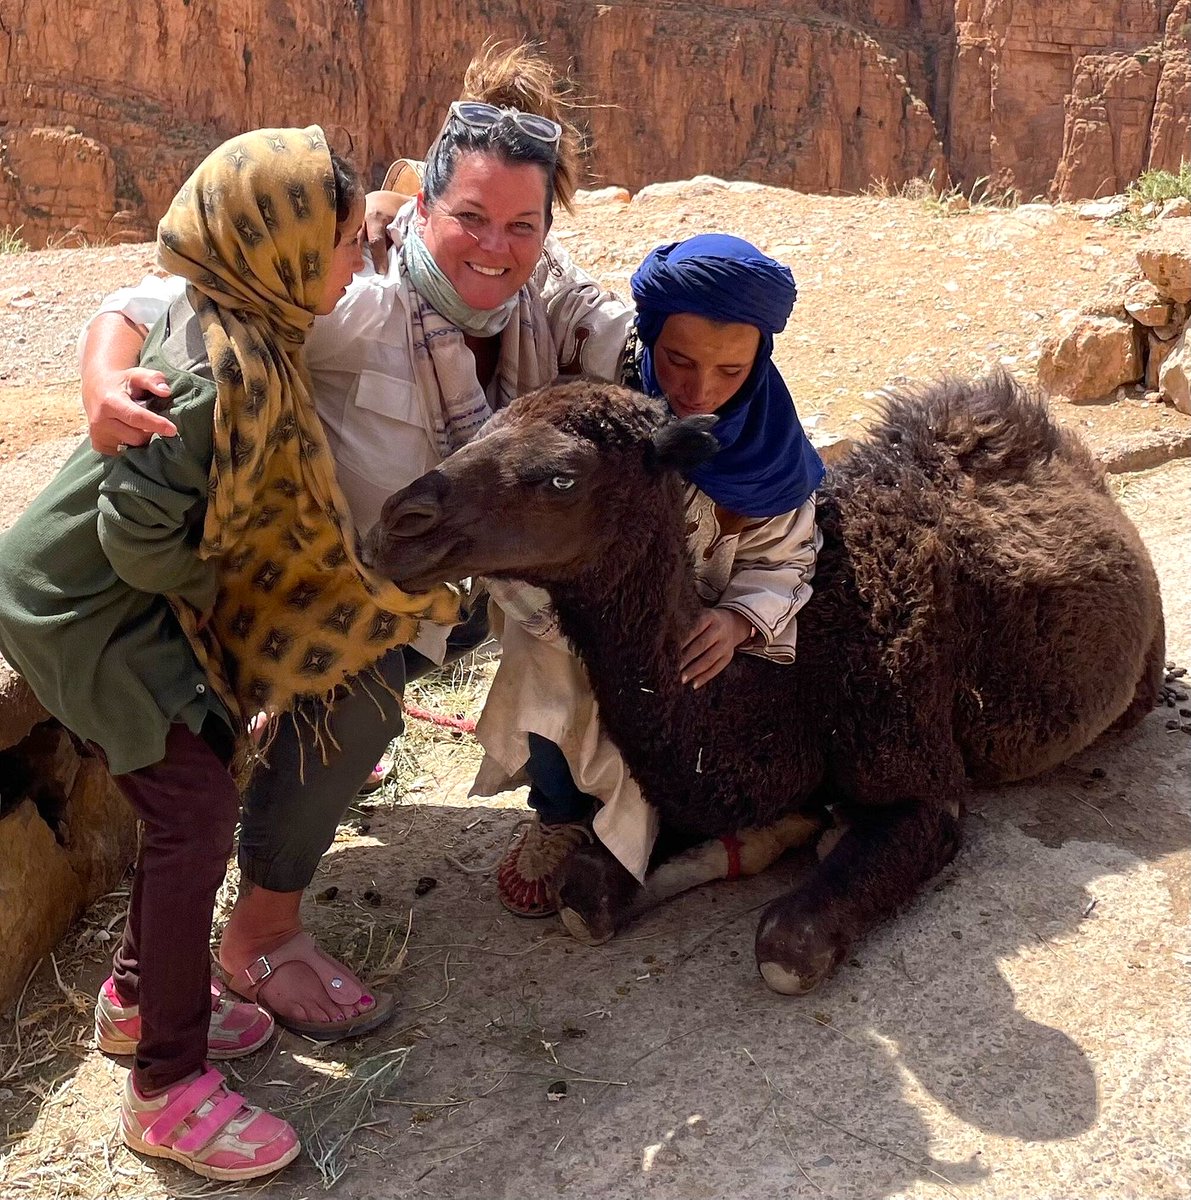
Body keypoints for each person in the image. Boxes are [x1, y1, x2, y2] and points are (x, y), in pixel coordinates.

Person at [75, 44, 635, 1040]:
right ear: (420, 204)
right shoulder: (355, 301)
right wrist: (104, 384)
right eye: (468, 218)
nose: (494, 248)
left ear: (548, 229)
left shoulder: (544, 306)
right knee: (360, 708)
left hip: (444, 585)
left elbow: (631, 351)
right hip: (321, 589)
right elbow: (152, 303)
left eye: (521, 225)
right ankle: (260, 936)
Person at [0, 126, 455, 1180]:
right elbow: (135, 535)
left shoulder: (251, 324)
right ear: (284, 247)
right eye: (344, 241)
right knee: (194, 809)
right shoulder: (217, 377)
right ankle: (164, 1086)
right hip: (82, 610)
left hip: (116, 601)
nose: (356, 261)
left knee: (206, 759)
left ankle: (135, 992)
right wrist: (230, 606)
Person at [474, 234, 826, 916]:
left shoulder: (771, 452)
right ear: (650, 336)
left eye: (730, 371)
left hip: (690, 628)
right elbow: (545, 278)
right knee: (548, 681)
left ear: (759, 359)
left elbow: (783, 559)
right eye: (678, 360)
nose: (699, 390)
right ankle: (558, 815)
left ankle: (647, 821)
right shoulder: (600, 414)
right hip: (568, 617)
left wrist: (738, 620)